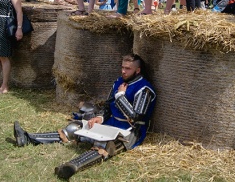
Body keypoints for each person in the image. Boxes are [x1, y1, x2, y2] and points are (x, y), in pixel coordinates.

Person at [12, 54, 156, 179]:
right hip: (111, 123)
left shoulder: (144, 89)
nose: (123, 71)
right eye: (123, 67)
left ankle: (72, 167)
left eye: (128, 69)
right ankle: (27, 138)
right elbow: (108, 106)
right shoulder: (119, 82)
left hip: (130, 131)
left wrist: (120, 96)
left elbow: (135, 118)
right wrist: (100, 118)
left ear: (137, 70)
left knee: (105, 145)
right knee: (75, 127)